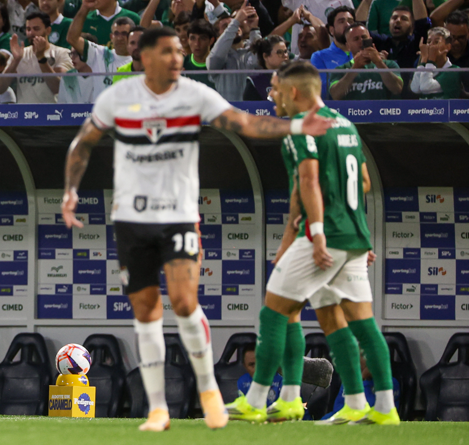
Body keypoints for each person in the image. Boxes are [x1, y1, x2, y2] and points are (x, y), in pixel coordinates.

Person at [61, 26, 331, 431]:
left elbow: (243, 122)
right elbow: (83, 143)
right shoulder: (119, 96)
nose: (178, 58)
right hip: (132, 220)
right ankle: (157, 409)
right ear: (146, 56)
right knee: (146, 311)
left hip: (179, 215)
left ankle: (209, 393)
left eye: (180, 51)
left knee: (185, 303)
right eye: (170, 51)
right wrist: (70, 192)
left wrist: (294, 126)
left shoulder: (194, 93)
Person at [227, 60, 398, 426]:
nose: (271, 95)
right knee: (345, 321)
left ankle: (260, 399)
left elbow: (307, 184)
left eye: (274, 89)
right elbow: (363, 182)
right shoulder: (345, 125)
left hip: (324, 238)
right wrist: (351, 228)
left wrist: (317, 233)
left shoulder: (300, 128)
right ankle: (373, 405)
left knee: (275, 311)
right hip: (352, 236)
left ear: (293, 92)